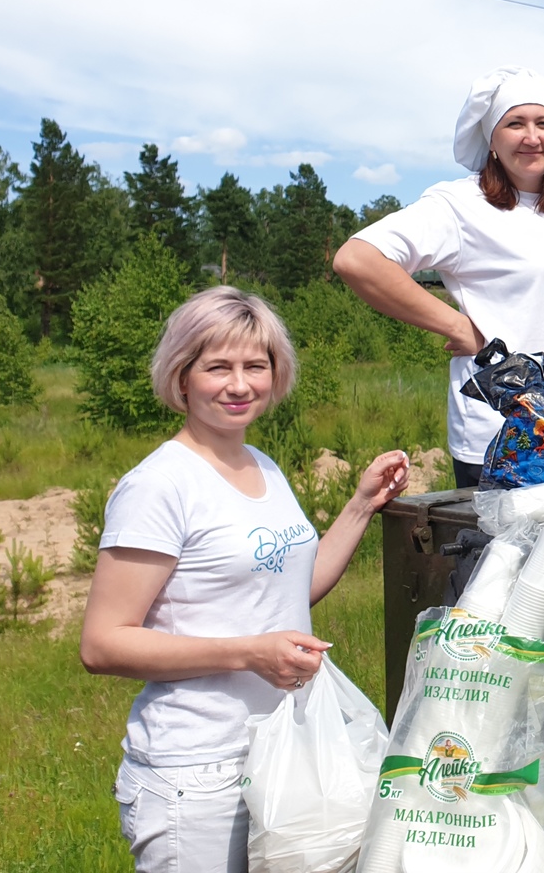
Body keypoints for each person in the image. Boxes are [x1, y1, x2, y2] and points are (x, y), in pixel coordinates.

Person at [80, 286, 410, 873]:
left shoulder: (262, 466)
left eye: (256, 366)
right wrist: (249, 653)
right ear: (182, 377)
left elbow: (286, 594)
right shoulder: (160, 486)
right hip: (196, 772)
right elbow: (104, 642)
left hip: (284, 755)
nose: (239, 385)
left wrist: (361, 506)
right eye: (218, 367)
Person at [334, 67, 544, 488]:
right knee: (505, 555)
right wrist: (459, 326)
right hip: (508, 443)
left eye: (543, 123)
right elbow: (358, 259)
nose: (532, 136)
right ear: (491, 140)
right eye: (515, 123)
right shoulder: (460, 205)